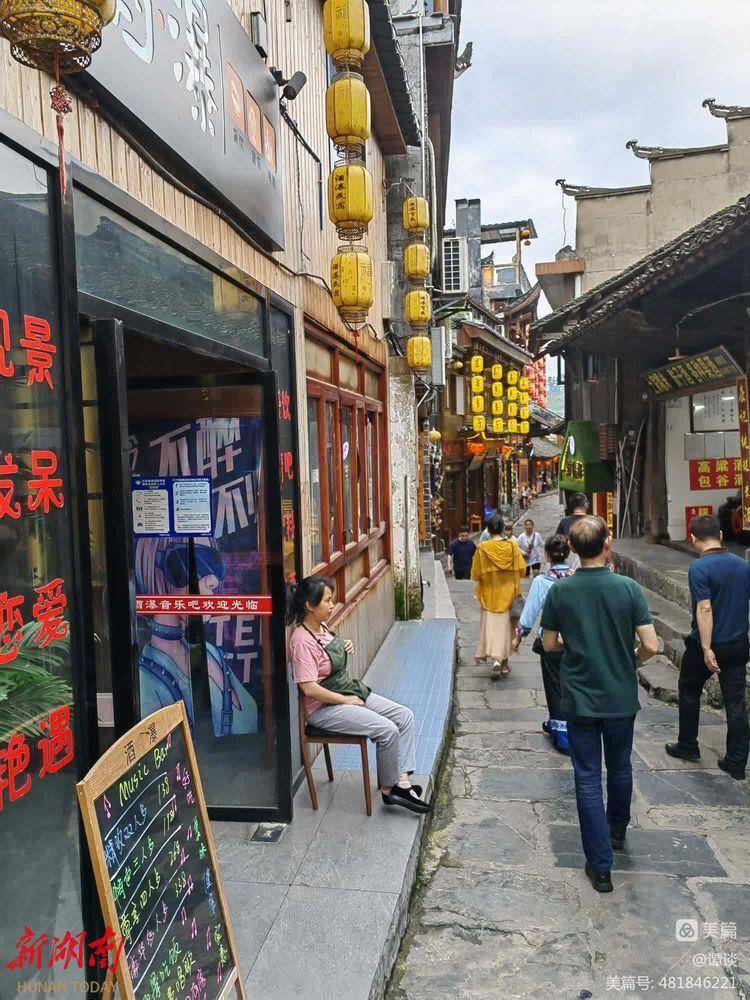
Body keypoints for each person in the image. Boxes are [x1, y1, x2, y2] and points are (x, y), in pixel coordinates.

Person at [541, 516, 659, 893]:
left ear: (571, 548)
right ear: (607, 544)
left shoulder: (561, 591)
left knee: (588, 775)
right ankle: (617, 830)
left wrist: (574, 645)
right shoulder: (628, 588)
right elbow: (652, 645)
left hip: (579, 697)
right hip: (620, 695)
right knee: (620, 765)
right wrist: (630, 660)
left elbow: (549, 644)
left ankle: (600, 865)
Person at [288, 576, 431, 815]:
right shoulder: (301, 641)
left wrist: (345, 645)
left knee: (404, 716)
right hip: (323, 709)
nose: (332, 605)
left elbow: (327, 655)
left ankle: (402, 782)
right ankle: (389, 789)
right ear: (310, 606)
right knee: (387, 730)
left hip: (348, 690)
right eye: (327, 600)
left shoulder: (321, 627)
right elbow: (309, 688)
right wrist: (345, 700)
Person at [665, 514, 750, 780]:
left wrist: (706, 648)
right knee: (735, 702)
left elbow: (704, 608)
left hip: (709, 644)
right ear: (721, 535)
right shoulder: (742, 565)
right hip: (738, 643)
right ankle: (736, 761)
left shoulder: (699, 568)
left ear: (692, 538)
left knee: (689, 689)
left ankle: (688, 745)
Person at [512, 534, 574, 751]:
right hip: (577, 641)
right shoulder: (577, 578)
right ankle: (574, 727)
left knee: (555, 686)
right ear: (568, 554)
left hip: (551, 642)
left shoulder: (542, 581)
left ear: (547, 556)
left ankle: (562, 732)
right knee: (573, 685)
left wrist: (518, 637)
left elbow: (529, 613)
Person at [471, 513, 526, 679]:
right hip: (509, 595)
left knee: (492, 627)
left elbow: (475, 574)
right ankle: (504, 663)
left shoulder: (482, 548)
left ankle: (494, 659)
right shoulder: (512, 546)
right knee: (507, 629)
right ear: (502, 528)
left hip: (490, 595)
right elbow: (522, 570)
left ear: (488, 529)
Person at [556, 492, 590, 571]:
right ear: (586, 504)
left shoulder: (564, 522)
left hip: (569, 566)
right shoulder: (595, 521)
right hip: (591, 564)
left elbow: (557, 544)